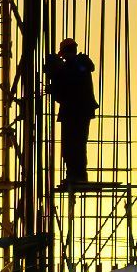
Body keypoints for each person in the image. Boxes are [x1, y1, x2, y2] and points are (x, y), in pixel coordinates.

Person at [43, 37, 97, 186]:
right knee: (69, 146)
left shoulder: (80, 64)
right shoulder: (70, 68)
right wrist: (54, 86)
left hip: (78, 112)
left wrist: (57, 75)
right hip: (72, 112)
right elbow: (61, 94)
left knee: (76, 145)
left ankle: (78, 175)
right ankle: (73, 174)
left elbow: (74, 80)